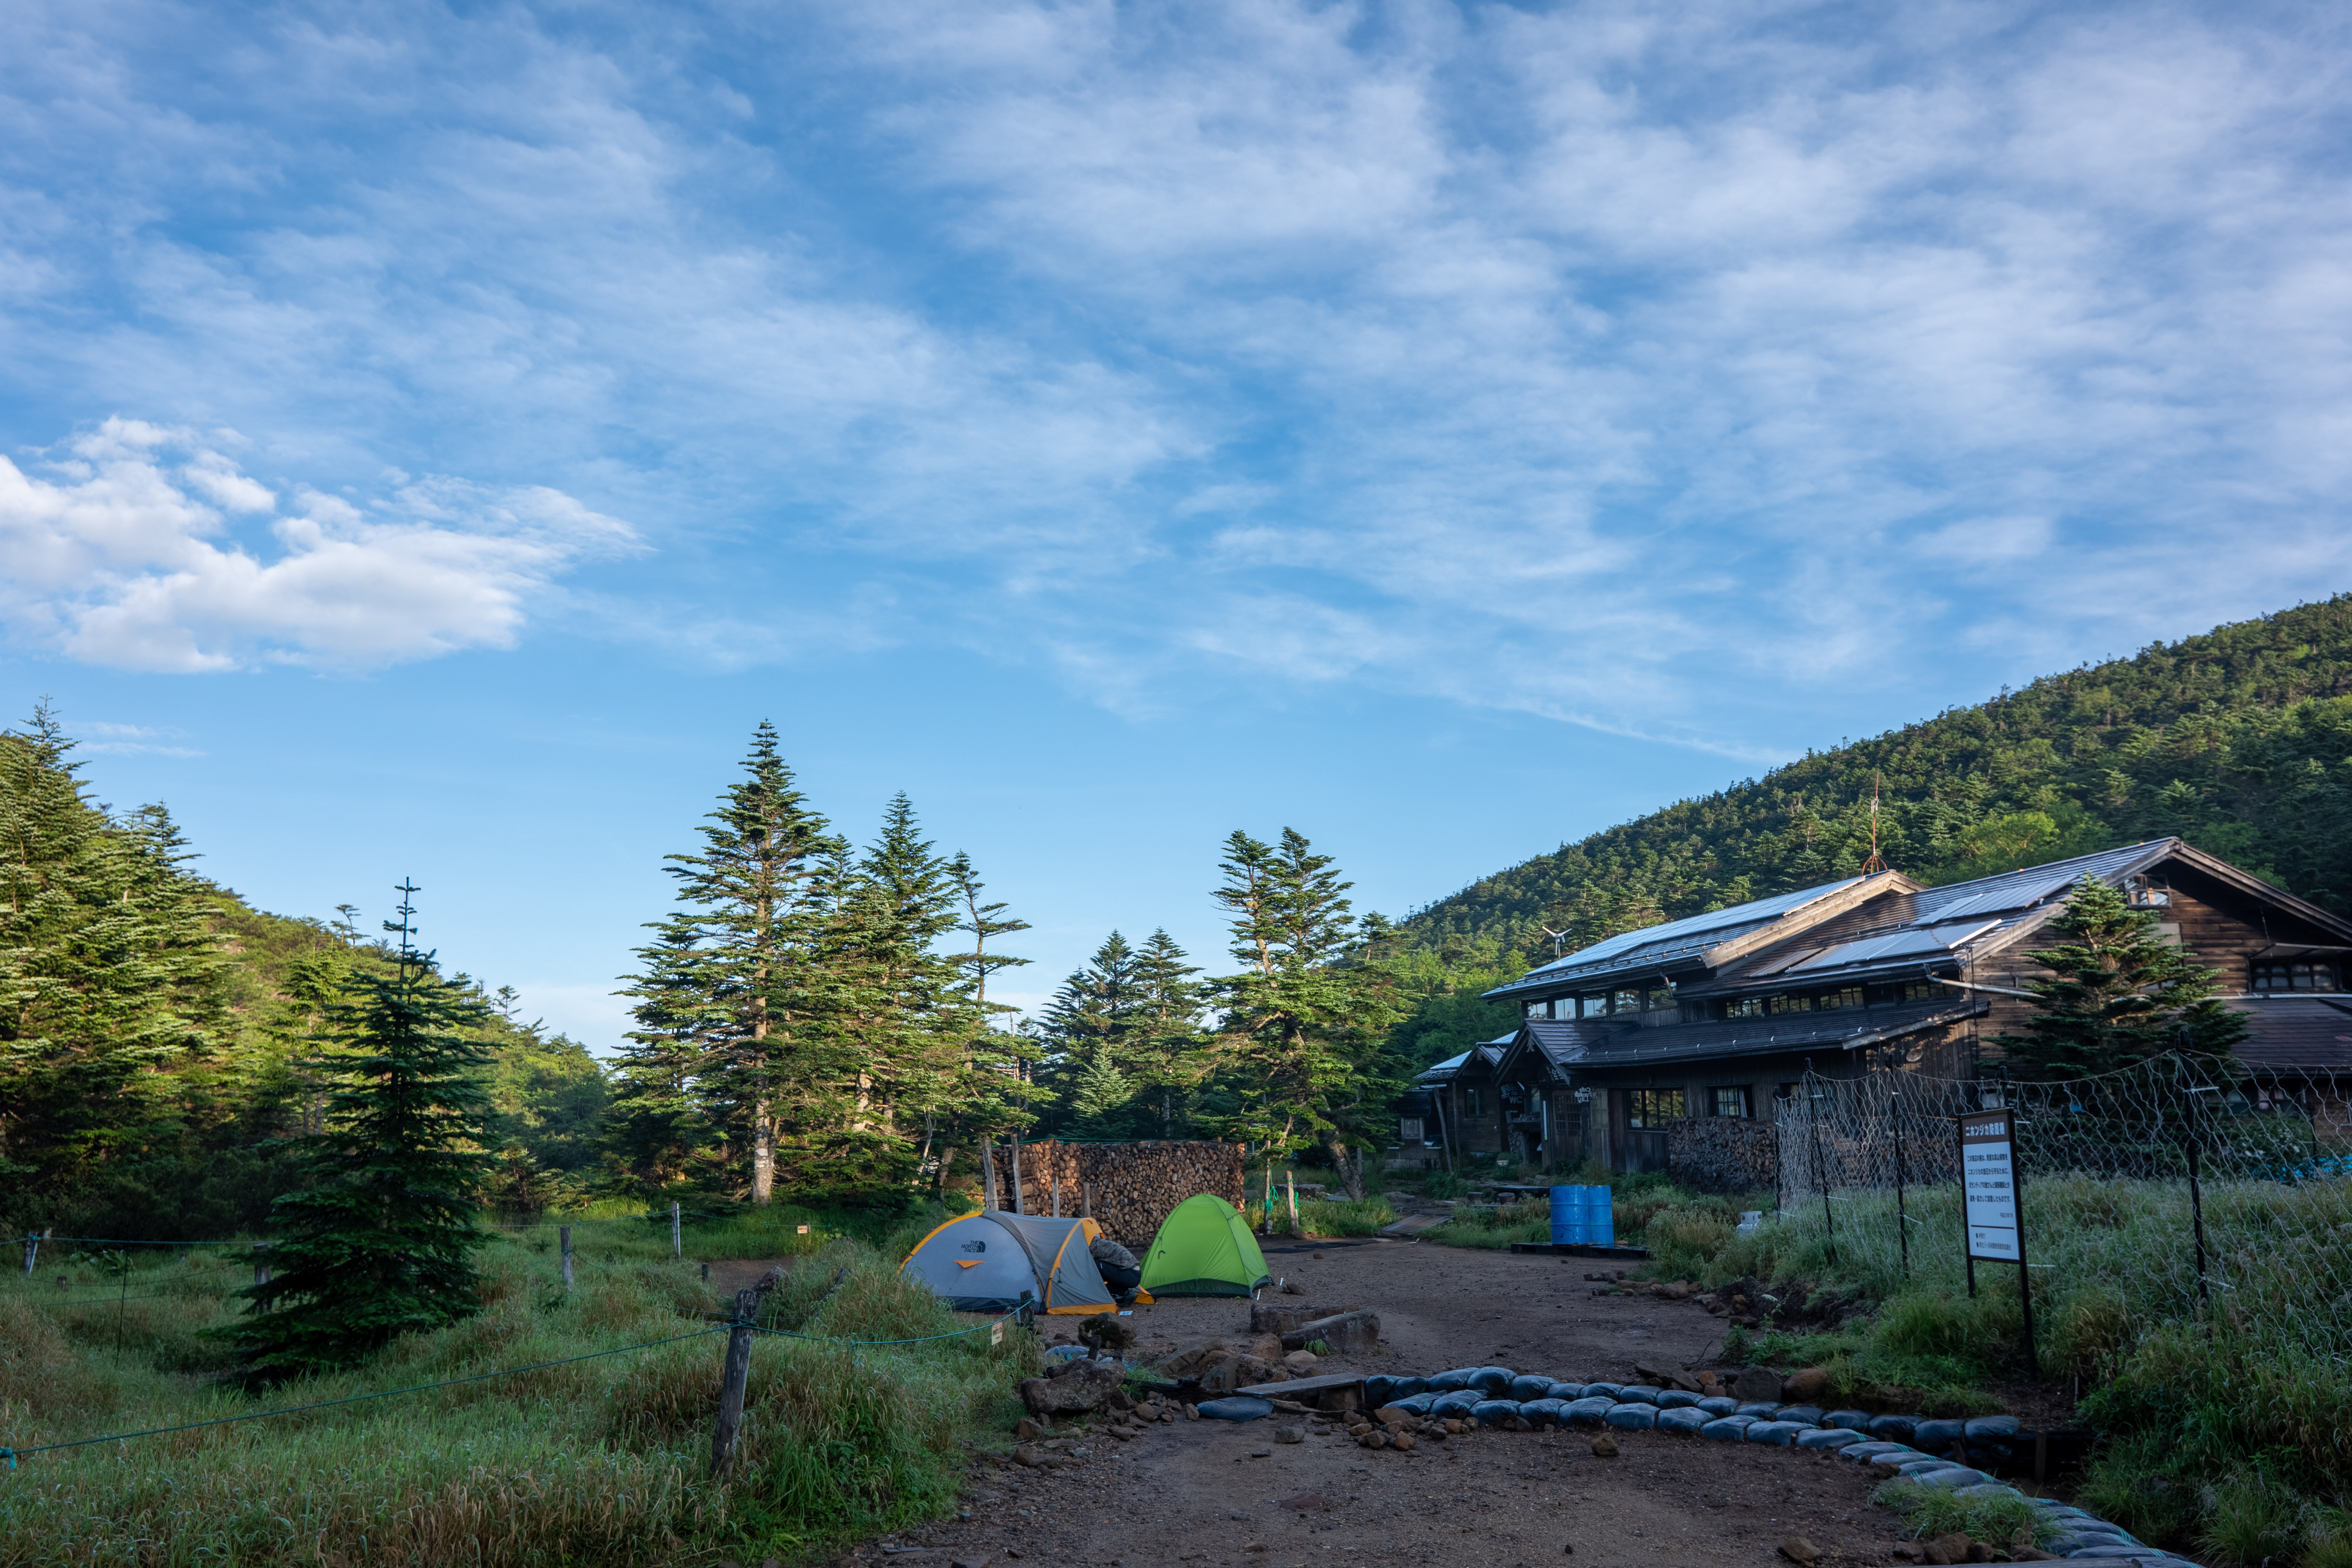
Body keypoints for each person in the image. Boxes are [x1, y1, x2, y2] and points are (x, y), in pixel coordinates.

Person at [1089, 1233, 1142, 1298]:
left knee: (1095, 1264)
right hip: (1136, 1274)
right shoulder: (1101, 1243)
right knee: (1103, 1275)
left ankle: (1127, 1293)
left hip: (1129, 1275)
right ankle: (1123, 1295)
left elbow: (1086, 1266)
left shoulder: (1092, 1247)